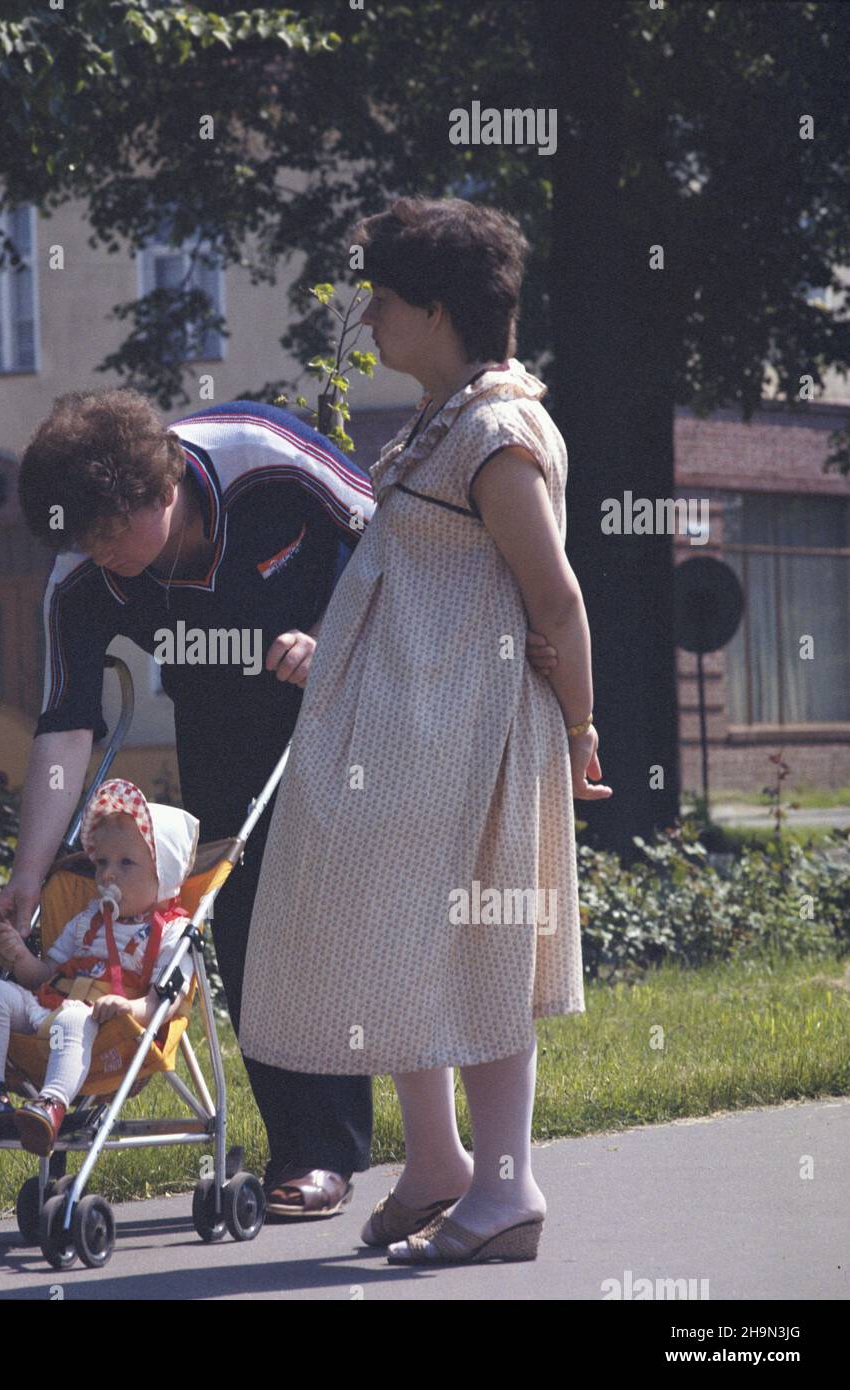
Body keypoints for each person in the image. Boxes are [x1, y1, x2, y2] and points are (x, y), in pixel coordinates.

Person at [0, 387, 557, 1217]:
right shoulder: (80, 573)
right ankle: (311, 1152)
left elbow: (400, 542)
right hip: (217, 715)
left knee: (351, 914)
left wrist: (332, 632)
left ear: (166, 485)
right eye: (82, 538)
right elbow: (66, 727)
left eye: (111, 532)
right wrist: (29, 875)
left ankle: (417, 1153)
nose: (98, 553)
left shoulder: (263, 456)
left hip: (352, 685)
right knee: (243, 915)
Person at [236, 195, 613, 1264]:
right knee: (394, 933)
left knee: (481, 946)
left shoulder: (496, 431)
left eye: (385, 300)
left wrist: (582, 731)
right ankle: (440, 1162)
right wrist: (335, 647)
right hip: (409, 735)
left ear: (438, 309)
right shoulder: (442, 424)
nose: (368, 321)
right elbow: (415, 580)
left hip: (470, 734)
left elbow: (555, 596)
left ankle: (506, 1191)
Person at [0, 777, 198, 1155]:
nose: (107, 874)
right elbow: (47, 978)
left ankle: (52, 1105)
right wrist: (20, 958)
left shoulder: (173, 933)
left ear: (165, 876)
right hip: (51, 1011)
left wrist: (131, 1008)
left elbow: (165, 1002)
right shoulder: (87, 920)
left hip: (116, 1033)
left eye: (126, 863)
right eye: (103, 862)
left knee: (76, 1015)